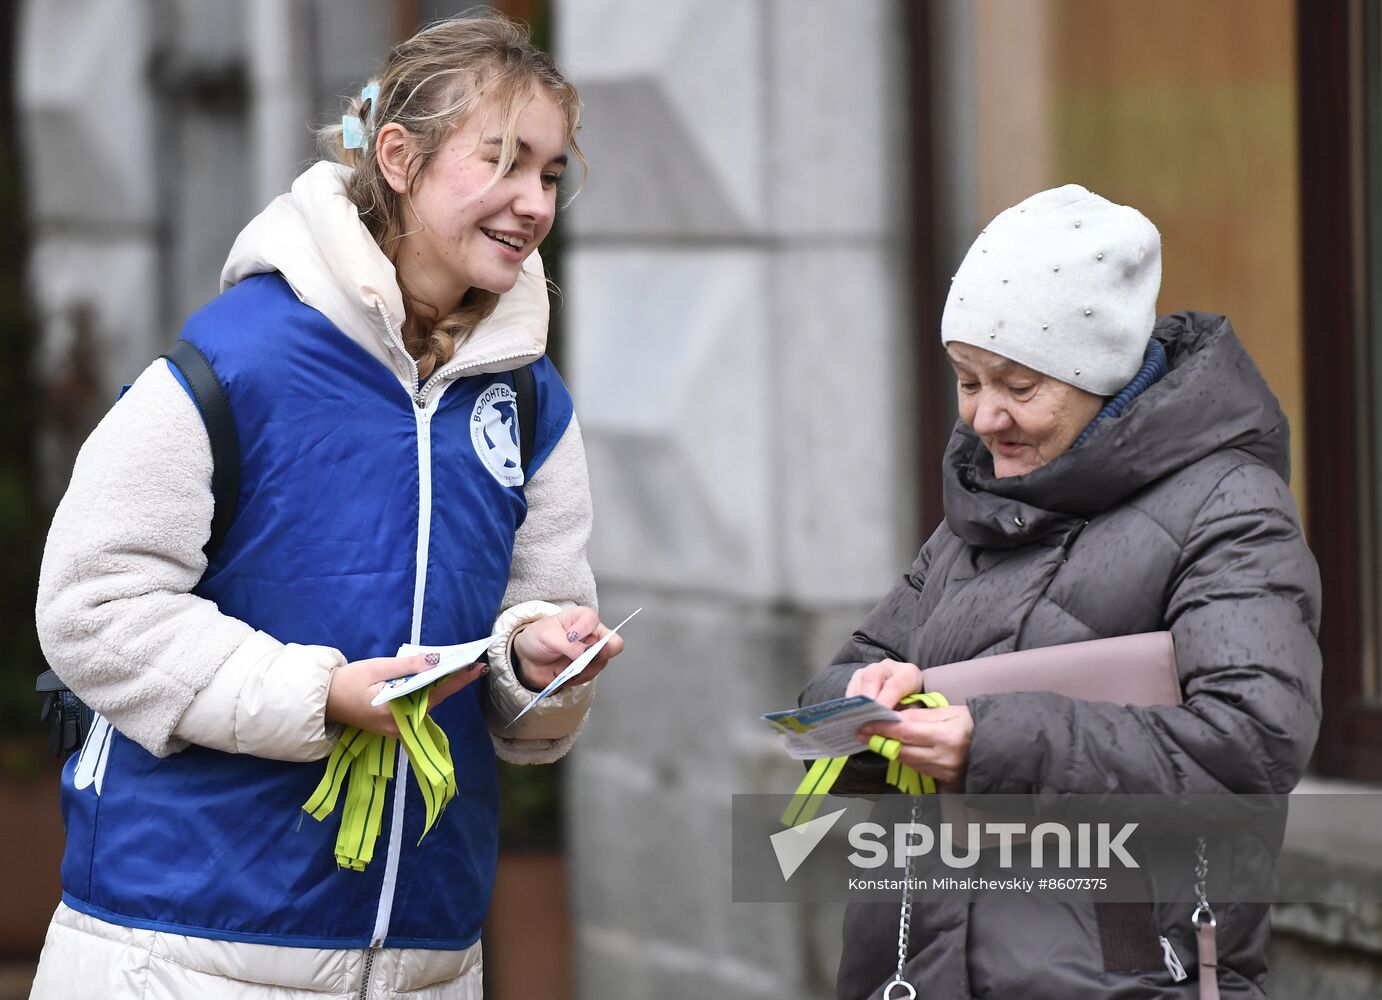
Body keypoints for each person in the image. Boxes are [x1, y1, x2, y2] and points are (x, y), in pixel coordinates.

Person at [30, 13, 621, 999]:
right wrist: (320, 697)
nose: (533, 203)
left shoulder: (527, 404)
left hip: (428, 967)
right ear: (398, 157)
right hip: (174, 958)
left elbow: (528, 683)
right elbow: (91, 607)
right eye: (504, 163)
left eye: (551, 174)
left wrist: (534, 660)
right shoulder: (238, 360)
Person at [800, 184, 1321, 999]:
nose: (983, 418)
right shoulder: (983, 508)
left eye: (1018, 385)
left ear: (1104, 372)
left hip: (1130, 977)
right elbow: (830, 694)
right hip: (919, 970)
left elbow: (1252, 746)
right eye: (968, 381)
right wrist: (877, 710)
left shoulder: (1229, 508)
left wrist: (994, 746)